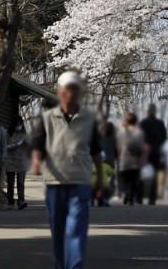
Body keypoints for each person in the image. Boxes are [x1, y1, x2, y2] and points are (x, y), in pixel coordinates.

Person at [31, 71, 103, 269]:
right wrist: (36, 162)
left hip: (80, 179)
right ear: (59, 92)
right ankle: (61, 265)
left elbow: (96, 150)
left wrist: (100, 178)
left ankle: (75, 266)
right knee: (58, 229)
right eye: (67, 89)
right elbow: (37, 144)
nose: (71, 93)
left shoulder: (89, 119)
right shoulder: (47, 118)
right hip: (55, 181)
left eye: (75, 89)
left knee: (76, 229)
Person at [139, 103, 167, 205]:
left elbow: (139, 136)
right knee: (154, 174)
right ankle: (152, 198)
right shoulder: (160, 123)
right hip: (156, 150)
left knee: (142, 173)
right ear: (155, 111)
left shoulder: (143, 123)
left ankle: (139, 197)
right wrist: (158, 144)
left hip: (145, 151)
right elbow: (164, 137)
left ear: (147, 111)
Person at [117, 112, 145, 206]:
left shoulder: (121, 131)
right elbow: (141, 146)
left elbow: (118, 145)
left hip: (123, 158)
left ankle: (126, 193)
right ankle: (131, 197)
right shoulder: (139, 132)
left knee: (125, 179)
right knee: (133, 180)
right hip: (135, 158)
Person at [6, 114, 30, 210]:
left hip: (21, 161)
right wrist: (17, 145)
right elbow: (6, 147)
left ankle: (21, 201)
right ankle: (10, 202)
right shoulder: (8, 134)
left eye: (21, 124)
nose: (19, 126)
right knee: (10, 183)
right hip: (10, 161)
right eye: (17, 124)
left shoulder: (24, 134)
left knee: (21, 182)